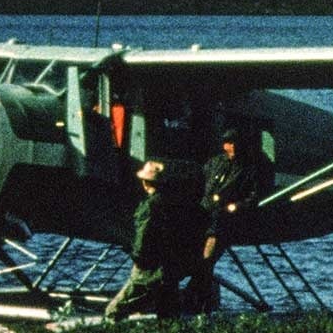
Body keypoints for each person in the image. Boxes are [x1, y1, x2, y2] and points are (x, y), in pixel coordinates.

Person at [185, 127, 275, 312]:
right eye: (228, 143)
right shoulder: (215, 163)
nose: (231, 147)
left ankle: (195, 300)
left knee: (207, 260)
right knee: (199, 260)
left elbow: (255, 195)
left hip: (224, 220)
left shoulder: (249, 169)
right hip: (205, 215)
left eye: (235, 143)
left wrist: (237, 206)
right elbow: (200, 183)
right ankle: (195, 299)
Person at [105, 161, 206, 321]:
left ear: (146, 182)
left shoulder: (151, 205)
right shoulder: (179, 204)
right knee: (168, 312)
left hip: (149, 267)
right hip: (172, 266)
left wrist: (137, 257)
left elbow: (144, 236)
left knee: (114, 311)